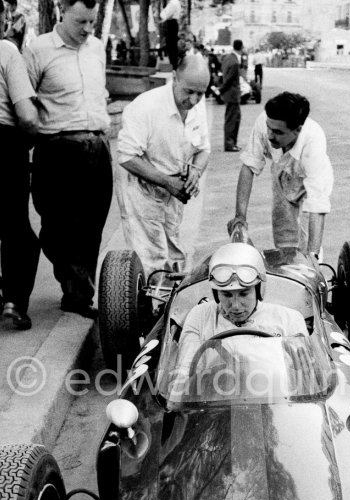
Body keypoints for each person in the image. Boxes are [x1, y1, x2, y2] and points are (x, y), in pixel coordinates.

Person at [24, 0, 113, 319]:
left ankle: (77, 295)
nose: (88, 30)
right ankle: (75, 281)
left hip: (97, 147)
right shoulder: (38, 49)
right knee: (55, 225)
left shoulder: (97, 48)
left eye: (92, 22)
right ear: (62, 12)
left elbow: (99, 92)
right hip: (57, 147)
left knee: (92, 224)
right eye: (81, 22)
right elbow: (25, 98)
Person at [116, 53, 210, 303]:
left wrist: (196, 172)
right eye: (189, 91)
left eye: (200, 94)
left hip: (175, 193)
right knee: (151, 259)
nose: (193, 100)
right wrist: (167, 181)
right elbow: (126, 157)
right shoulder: (145, 107)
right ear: (175, 78)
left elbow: (203, 150)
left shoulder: (198, 106)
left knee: (176, 255)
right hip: (142, 191)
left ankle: (174, 309)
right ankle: (149, 316)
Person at [0, 0, 39, 330]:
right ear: (0, 18)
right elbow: (27, 116)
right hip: (0, 145)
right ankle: (14, 302)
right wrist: (30, 139)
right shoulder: (4, 51)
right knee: (17, 231)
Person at [175, 241, 308, 379]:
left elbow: (305, 377)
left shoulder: (289, 319)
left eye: (244, 294)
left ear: (259, 289)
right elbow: (184, 370)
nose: (236, 305)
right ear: (216, 293)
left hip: (276, 396)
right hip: (214, 397)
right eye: (226, 294)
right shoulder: (200, 316)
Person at [227, 92, 333, 259]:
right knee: (284, 238)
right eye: (269, 128)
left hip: (309, 178)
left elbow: (317, 206)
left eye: (277, 132)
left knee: (308, 249)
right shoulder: (266, 120)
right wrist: (240, 217)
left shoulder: (314, 143)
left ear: (297, 130)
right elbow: (249, 165)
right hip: (282, 170)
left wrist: (313, 259)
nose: (269, 135)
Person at [220, 38, 243, 152]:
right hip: (232, 93)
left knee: (235, 118)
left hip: (229, 94)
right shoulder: (235, 61)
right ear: (241, 48)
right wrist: (222, 89)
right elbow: (230, 79)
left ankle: (232, 142)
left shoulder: (227, 58)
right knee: (232, 119)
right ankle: (229, 143)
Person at [159, 0, 181, 69]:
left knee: (171, 45)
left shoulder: (174, 2)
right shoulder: (172, 3)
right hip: (170, 23)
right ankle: (173, 64)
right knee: (170, 44)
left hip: (171, 23)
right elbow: (163, 14)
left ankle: (174, 65)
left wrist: (164, 16)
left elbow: (165, 14)